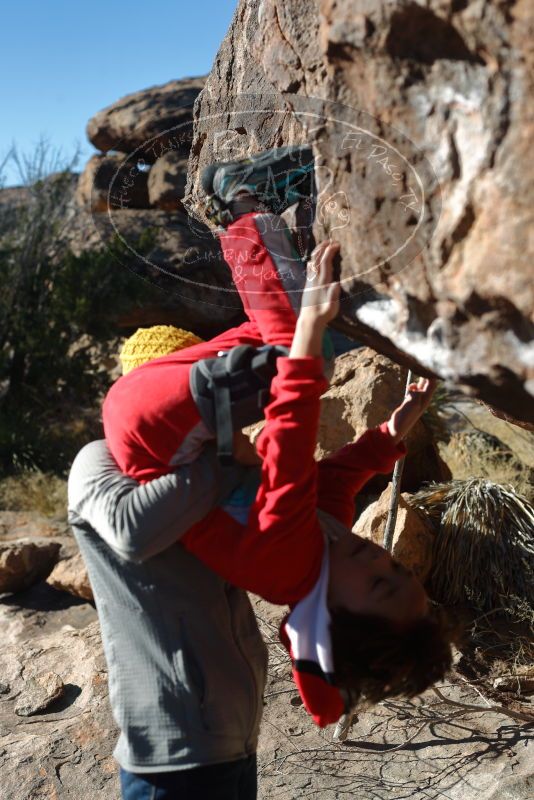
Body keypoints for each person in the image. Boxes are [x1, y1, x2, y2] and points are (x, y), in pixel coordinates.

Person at [75, 241, 454, 734]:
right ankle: (276, 245)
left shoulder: (287, 568)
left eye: (380, 583)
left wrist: (314, 330)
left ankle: (244, 213)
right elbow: (338, 477)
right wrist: (393, 430)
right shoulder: (327, 546)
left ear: (338, 615)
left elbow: (290, 455)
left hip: (151, 432)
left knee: (302, 357)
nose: (381, 559)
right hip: (181, 418)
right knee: (281, 327)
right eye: (398, 567)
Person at [103, 146, 333, 482]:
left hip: (147, 417)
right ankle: (231, 210)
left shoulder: (180, 514)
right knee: (264, 333)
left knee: (306, 359)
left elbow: (241, 454)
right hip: (133, 401)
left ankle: (243, 202)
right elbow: (227, 438)